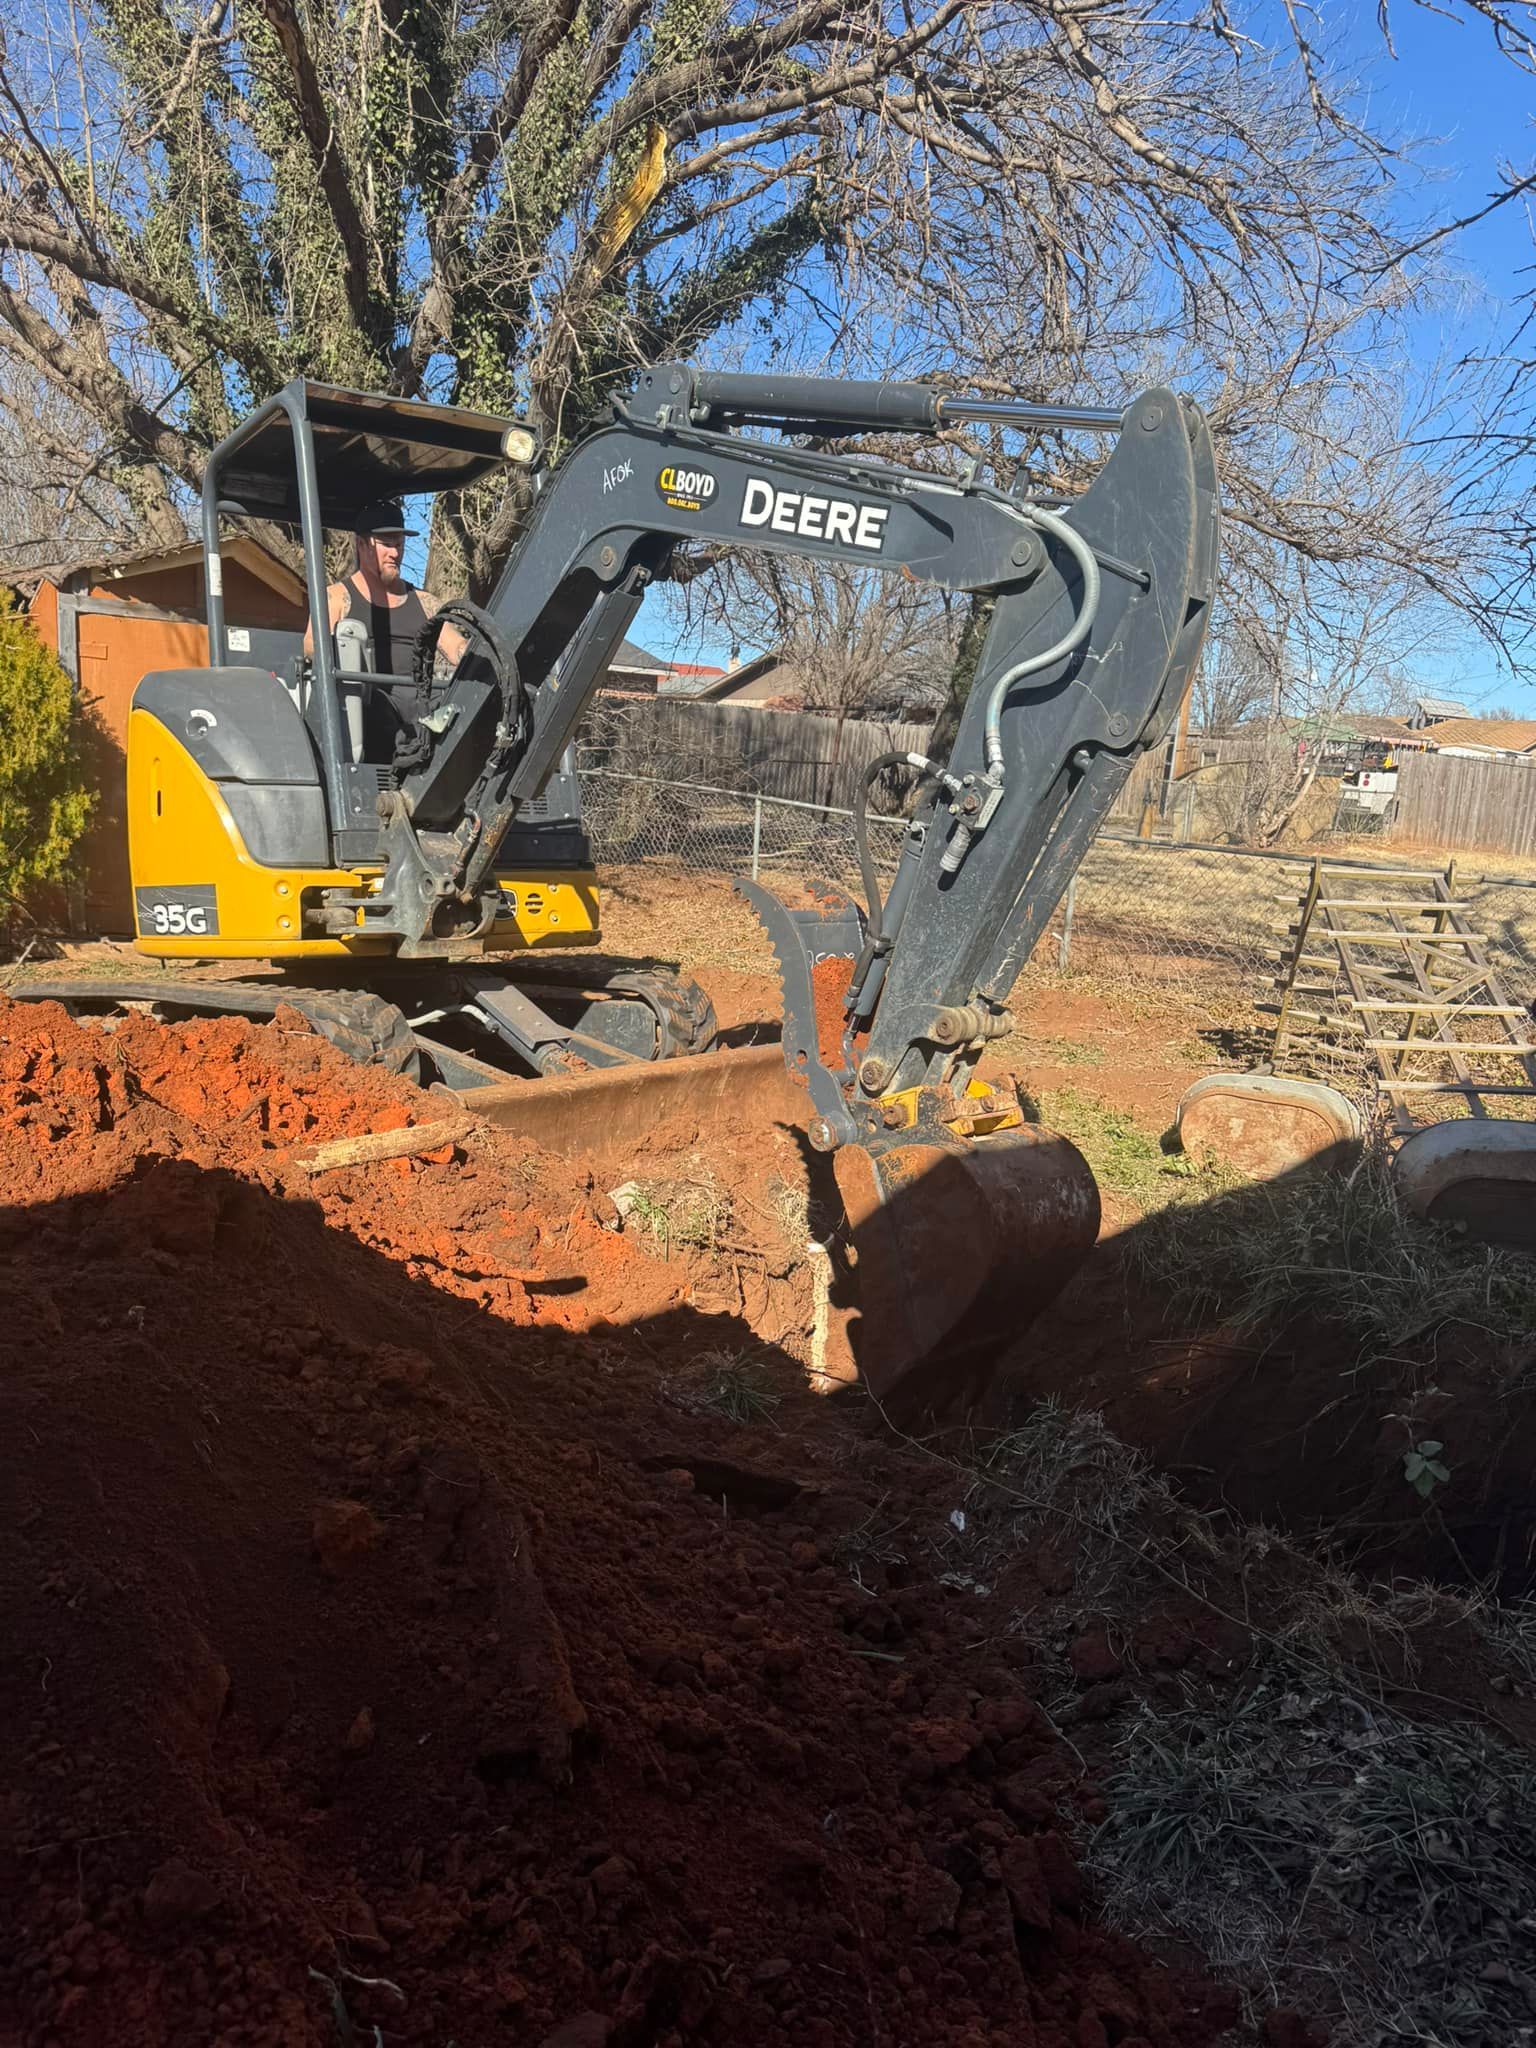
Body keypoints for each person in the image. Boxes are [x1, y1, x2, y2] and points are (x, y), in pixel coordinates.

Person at [304, 500, 464, 672]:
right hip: (363, 698)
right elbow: (312, 649)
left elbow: (457, 648)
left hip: (423, 698)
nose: (394, 553)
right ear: (361, 545)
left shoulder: (426, 603)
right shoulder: (336, 598)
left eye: (399, 545)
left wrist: (470, 650)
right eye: (386, 545)